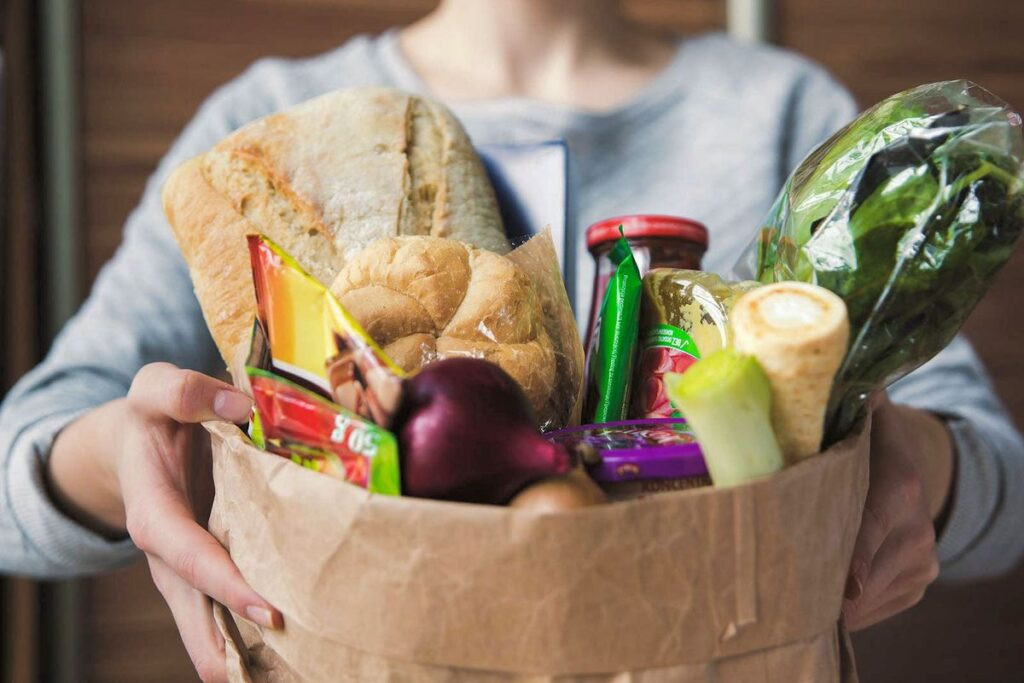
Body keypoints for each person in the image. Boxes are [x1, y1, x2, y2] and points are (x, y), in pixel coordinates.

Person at [2, 0, 1022, 680]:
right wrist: (119, 461)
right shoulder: (262, 120)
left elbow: (1001, 494)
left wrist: (907, 462)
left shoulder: (779, 112)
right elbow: (20, 473)